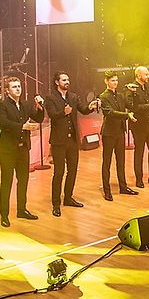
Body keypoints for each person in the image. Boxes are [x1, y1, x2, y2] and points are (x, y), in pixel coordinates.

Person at [43, 72, 99, 215]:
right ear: (57, 82)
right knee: (59, 172)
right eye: (64, 80)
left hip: (72, 140)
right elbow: (52, 115)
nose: (67, 82)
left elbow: (83, 110)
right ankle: (56, 203)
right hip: (58, 141)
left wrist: (90, 107)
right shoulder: (50, 98)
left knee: (72, 170)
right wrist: (64, 112)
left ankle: (68, 197)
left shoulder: (73, 97)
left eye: (68, 79)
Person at [0, 76, 45, 227]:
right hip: (7, 149)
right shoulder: (3, 105)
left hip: (23, 148)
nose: (18, 89)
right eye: (14, 87)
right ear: (7, 90)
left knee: (23, 180)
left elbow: (38, 118)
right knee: (7, 182)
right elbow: (4, 123)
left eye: (19, 86)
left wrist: (40, 107)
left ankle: (21, 210)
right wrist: (22, 126)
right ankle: (4, 215)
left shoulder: (26, 104)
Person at [99, 71, 138, 199]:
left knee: (121, 162)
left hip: (120, 132)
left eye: (116, 80)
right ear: (106, 81)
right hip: (109, 133)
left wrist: (133, 93)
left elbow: (131, 106)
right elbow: (110, 113)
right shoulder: (103, 96)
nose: (115, 83)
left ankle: (123, 187)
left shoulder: (121, 95)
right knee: (107, 162)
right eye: (112, 80)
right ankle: (107, 190)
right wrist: (127, 115)